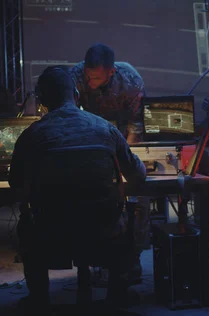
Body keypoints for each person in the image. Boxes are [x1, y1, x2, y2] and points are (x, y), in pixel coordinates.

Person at [9, 66, 146, 310]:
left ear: (41, 101)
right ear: (75, 93)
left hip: (51, 233)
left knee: (25, 223)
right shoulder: (105, 128)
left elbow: (17, 187)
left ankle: (39, 299)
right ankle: (117, 296)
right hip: (104, 230)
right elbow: (137, 175)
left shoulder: (31, 135)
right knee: (129, 217)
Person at [70, 43, 149, 282]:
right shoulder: (74, 77)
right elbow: (67, 119)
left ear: (111, 72)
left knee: (136, 197)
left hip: (122, 138)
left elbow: (136, 124)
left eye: (96, 77)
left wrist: (128, 162)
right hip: (88, 140)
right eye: (88, 75)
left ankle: (132, 258)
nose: (90, 81)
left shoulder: (131, 80)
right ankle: (93, 259)